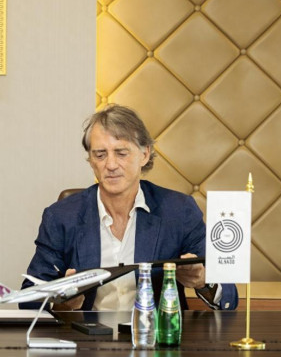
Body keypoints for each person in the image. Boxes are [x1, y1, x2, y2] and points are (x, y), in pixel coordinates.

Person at [21, 104, 238, 311]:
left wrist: (203, 281)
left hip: (156, 335)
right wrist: (62, 303)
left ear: (144, 154)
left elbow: (229, 293)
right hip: (85, 334)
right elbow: (29, 298)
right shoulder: (61, 216)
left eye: (121, 153)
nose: (111, 165)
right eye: (100, 154)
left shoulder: (178, 211)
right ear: (91, 161)